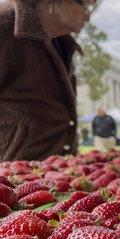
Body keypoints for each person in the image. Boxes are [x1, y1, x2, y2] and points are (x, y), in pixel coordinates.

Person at [0, 0, 93, 161]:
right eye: (84, 4)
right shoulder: (4, 25)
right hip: (11, 176)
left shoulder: (62, 43)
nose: (88, 15)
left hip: (58, 173)